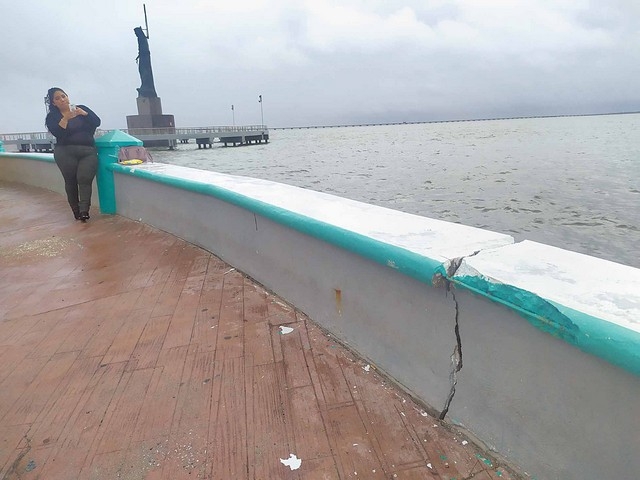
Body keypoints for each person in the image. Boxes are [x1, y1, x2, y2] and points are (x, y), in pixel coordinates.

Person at [45, 87, 101, 221]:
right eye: (57, 98)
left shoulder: (80, 108)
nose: (62, 100)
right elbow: (58, 133)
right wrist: (65, 118)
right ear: (53, 103)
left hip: (87, 151)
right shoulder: (52, 117)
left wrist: (84, 114)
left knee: (84, 179)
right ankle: (76, 210)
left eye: (63, 96)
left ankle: (84, 211)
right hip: (65, 152)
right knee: (70, 181)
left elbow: (97, 122)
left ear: (68, 97)